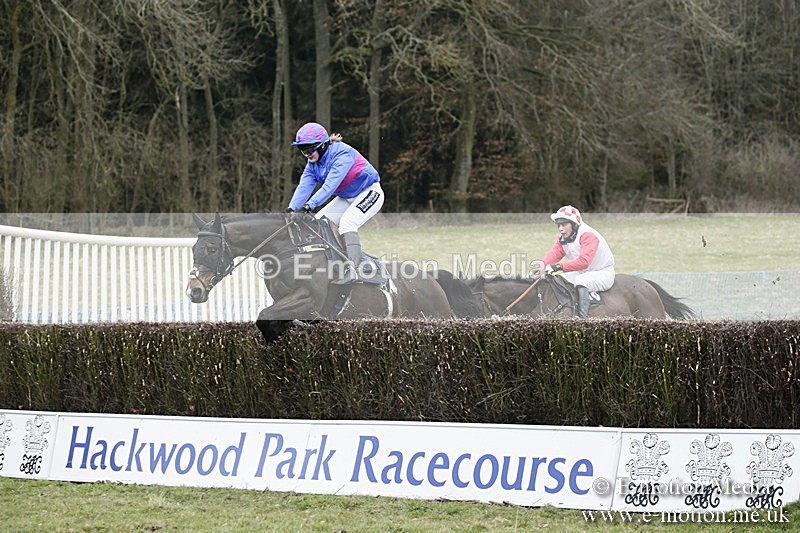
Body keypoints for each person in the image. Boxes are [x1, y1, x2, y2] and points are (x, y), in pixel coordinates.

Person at [285, 122, 384, 284]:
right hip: (346, 197)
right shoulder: (313, 164)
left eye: (309, 149)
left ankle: (355, 270)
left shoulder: (342, 154)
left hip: (370, 192)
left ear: (323, 146)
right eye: (303, 150)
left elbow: (330, 186)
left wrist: (309, 206)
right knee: (319, 224)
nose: (307, 154)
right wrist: (291, 209)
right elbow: (304, 186)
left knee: (347, 223)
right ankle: (336, 265)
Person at [530, 205, 615, 318]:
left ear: (574, 224)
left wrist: (557, 267)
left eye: (564, 224)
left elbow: (584, 262)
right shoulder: (564, 237)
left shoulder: (588, 235)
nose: (560, 228)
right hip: (582, 271)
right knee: (559, 280)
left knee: (582, 281)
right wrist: (541, 265)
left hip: (602, 272)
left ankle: (581, 319)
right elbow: (555, 253)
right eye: (559, 225)